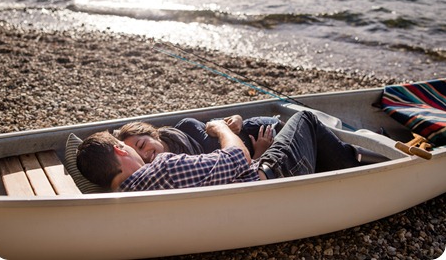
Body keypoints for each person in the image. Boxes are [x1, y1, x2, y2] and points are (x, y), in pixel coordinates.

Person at [76, 110, 390, 191]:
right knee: (306, 119)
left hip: (248, 182)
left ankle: (353, 155)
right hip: (272, 179)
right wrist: (222, 128)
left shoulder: (122, 193)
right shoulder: (163, 170)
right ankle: (367, 170)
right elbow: (237, 157)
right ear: (119, 152)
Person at [114, 115, 284, 163]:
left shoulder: (186, 126)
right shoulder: (171, 168)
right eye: (137, 154)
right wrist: (260, 152)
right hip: (262, 152)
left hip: (261, 128)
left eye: (142, 145)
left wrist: (236, 119)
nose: (144, 155)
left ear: (153, 134)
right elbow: (240, 172)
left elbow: (220, 125)